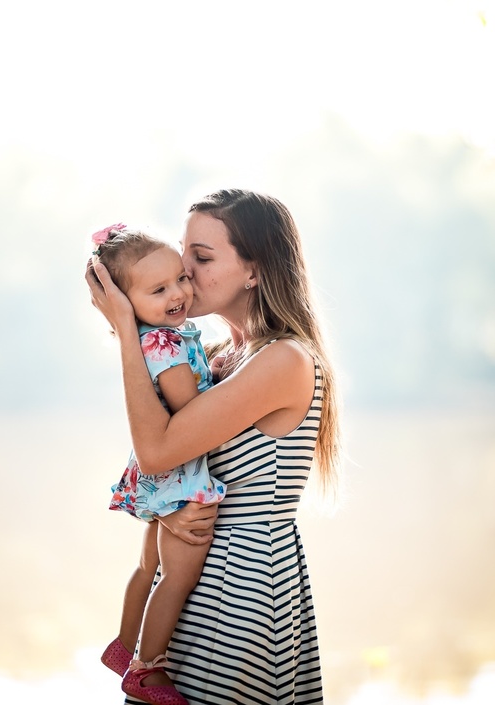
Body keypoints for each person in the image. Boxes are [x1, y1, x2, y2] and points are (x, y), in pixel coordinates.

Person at [86, 189, 340, 705]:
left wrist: (128, 333)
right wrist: (168, 515)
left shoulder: (283, 359)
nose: (183, 270)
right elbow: (170, 468)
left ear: (255, 270)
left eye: (201, 258)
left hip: (243, 586)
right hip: (193, 578)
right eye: (184, 253)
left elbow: (159, 452)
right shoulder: (220, 357)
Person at [89, 224, 227, 705]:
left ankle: (124, 645)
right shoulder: (165, 346)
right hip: (179, 474)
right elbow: (190, 411)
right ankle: (148, 669)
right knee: (177, 575)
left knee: (148, 564)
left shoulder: (156, 338)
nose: (178, 294)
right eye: (159, 289)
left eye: (180, 280)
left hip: (155, 473)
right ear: (125, 304)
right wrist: (226, 386)